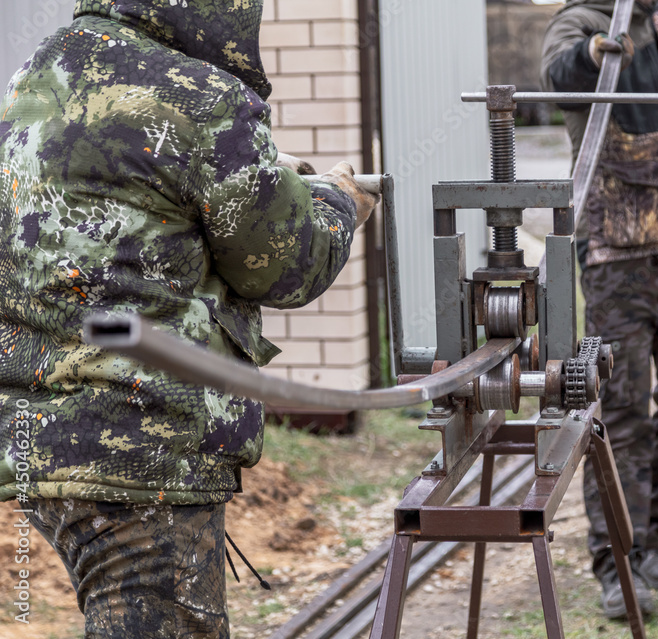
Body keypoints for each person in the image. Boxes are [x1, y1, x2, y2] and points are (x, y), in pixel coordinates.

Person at [0, 0, 376, 636]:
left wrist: (258, 175)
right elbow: (286, 266)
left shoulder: (37, 75)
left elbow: (133, 192)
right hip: (146, 449)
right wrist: (339, 201)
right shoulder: (203, 98)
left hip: (40, 441)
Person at [541, 0, 658, 619]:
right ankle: (618, 564)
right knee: (620, 413)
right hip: (619, 256)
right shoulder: (582, 22)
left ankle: (655, 539)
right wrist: (597, 52)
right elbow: (558, 73)